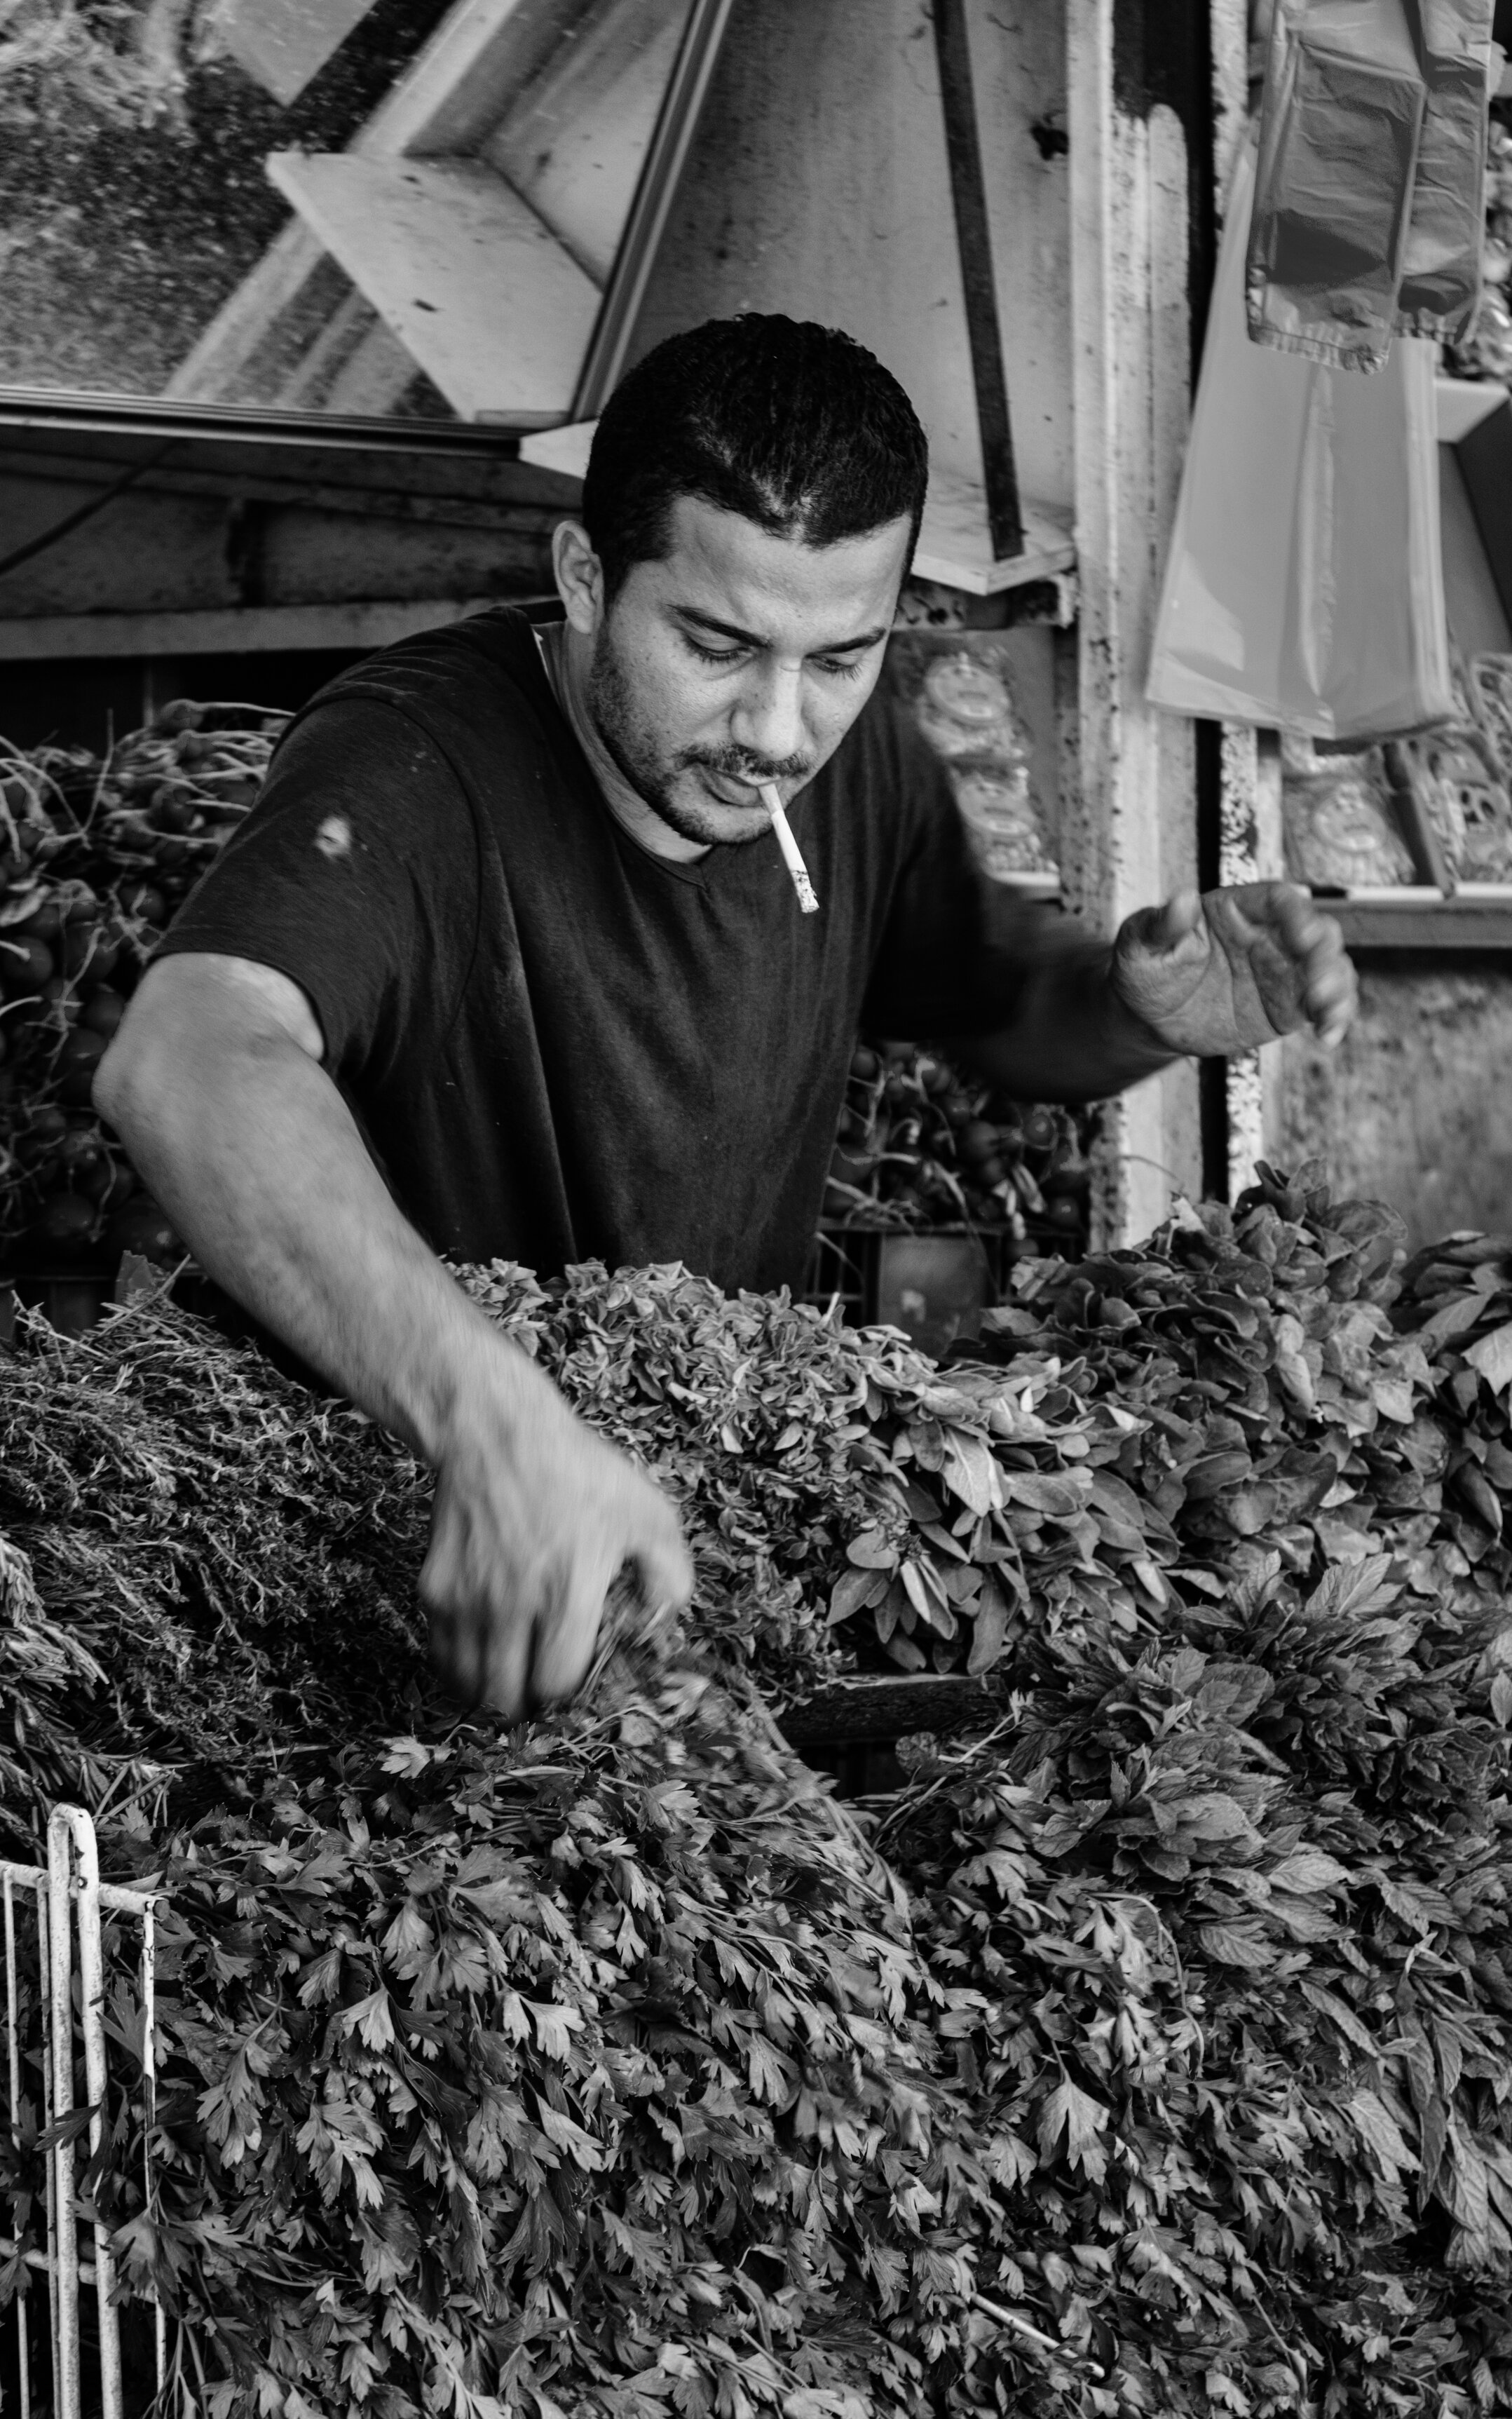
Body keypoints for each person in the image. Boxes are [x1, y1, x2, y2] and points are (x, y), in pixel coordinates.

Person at [95, 313, 1358, 1714]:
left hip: (696, 1551)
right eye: (714, 642)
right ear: (584, 578)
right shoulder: (414, 760)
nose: (774, 727)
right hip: (393, 1562)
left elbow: (1003, 1008)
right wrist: (488, 1417)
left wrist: (1137, 1004)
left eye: (838, 656)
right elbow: (192, 1059)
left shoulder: (853, 761)